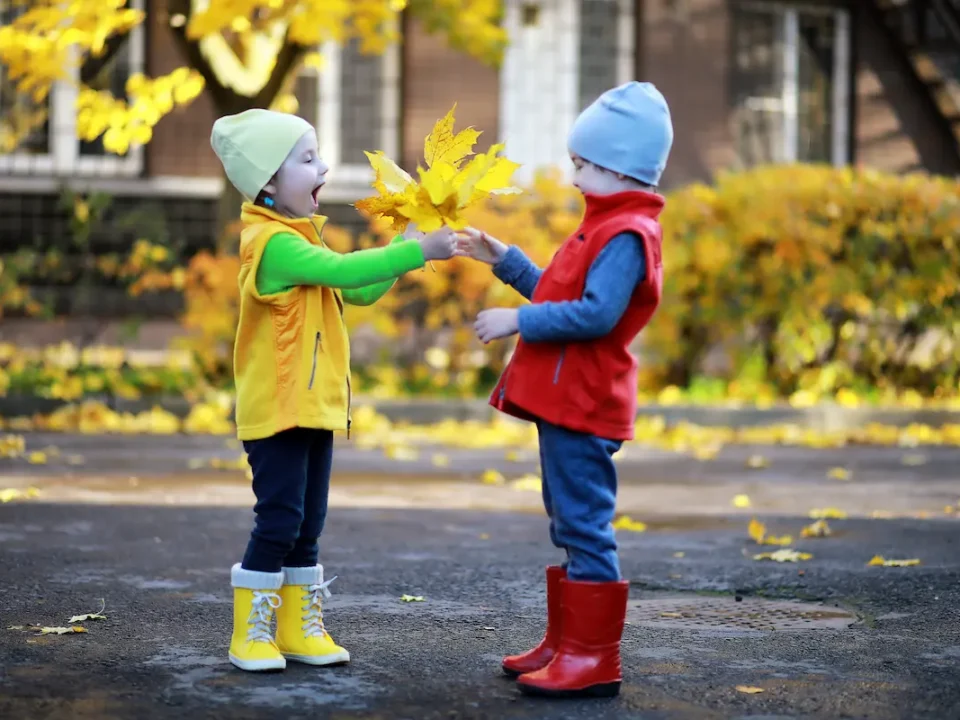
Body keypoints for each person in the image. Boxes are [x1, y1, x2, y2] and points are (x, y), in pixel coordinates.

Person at [210, 109, 456, 673]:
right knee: (278, 519)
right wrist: (419, 251)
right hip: (276, 409)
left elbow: (360, 290)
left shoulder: (302, 240)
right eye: (307, 159)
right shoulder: (271, 244)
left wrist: (406, 247)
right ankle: (250, 634)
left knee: (307, 525)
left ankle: (298, 629)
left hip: (314, 407)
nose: (323, 167)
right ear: (268, 181)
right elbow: (344, 270)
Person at [457, 81, 673, 698]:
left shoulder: (626, 235)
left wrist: (515, 320)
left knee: (585, 523)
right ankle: (567, 642)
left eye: (582, 163)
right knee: (566, 519)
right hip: (565, 403)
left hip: (585, 403)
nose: (573, 174)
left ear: (619, 167)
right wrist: (506, 260)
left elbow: (596, 315)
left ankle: (593, 657)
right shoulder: (602, 224)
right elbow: (560, 293)